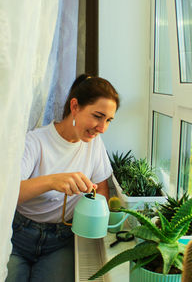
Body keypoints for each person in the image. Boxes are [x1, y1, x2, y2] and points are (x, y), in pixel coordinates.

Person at [6, 74, 120, 282]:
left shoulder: (95, 145)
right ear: (75, 106)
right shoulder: (35, 141)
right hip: (18, 236)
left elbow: (101, 189)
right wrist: (52, 181)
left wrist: (94, 218)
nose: (102, 128)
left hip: (61, 240)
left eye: (109, 120)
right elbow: (7, 195)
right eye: (98, 116)